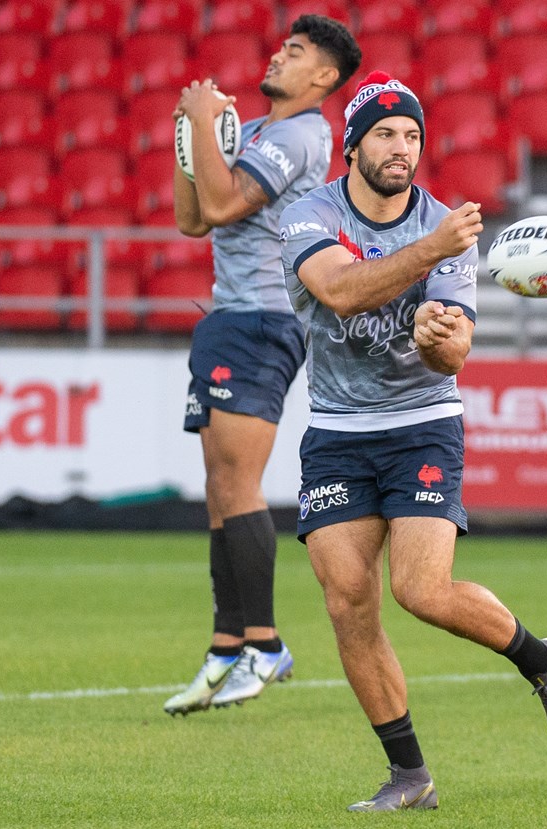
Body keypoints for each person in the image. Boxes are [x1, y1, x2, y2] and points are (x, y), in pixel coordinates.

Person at [278, 71, 547, 810]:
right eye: (385, 132)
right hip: (336, 431)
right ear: (354, 144)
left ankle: (544, 662)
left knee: (419, 589)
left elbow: (454, 357)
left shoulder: (445, 224)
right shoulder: (307, 215)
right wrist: (428, 258)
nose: (401, 147)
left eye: (412, 134)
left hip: (422, 421)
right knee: (347, 602)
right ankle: (410, 777)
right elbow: (343, 289)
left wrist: (436, 336)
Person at [163, 16, 362, 717]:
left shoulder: (299, 134)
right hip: (229, 319)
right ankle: (226, 647)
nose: (281, 53)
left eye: (298, 51)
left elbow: (221, 203)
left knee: (240, 483)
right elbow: (196, 218)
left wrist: (199, 121)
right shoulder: (255, 132)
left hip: (262, 321)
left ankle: (266, 643)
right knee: (220, 487)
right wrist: (186, 140)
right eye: (284, 45)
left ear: (323, 79)